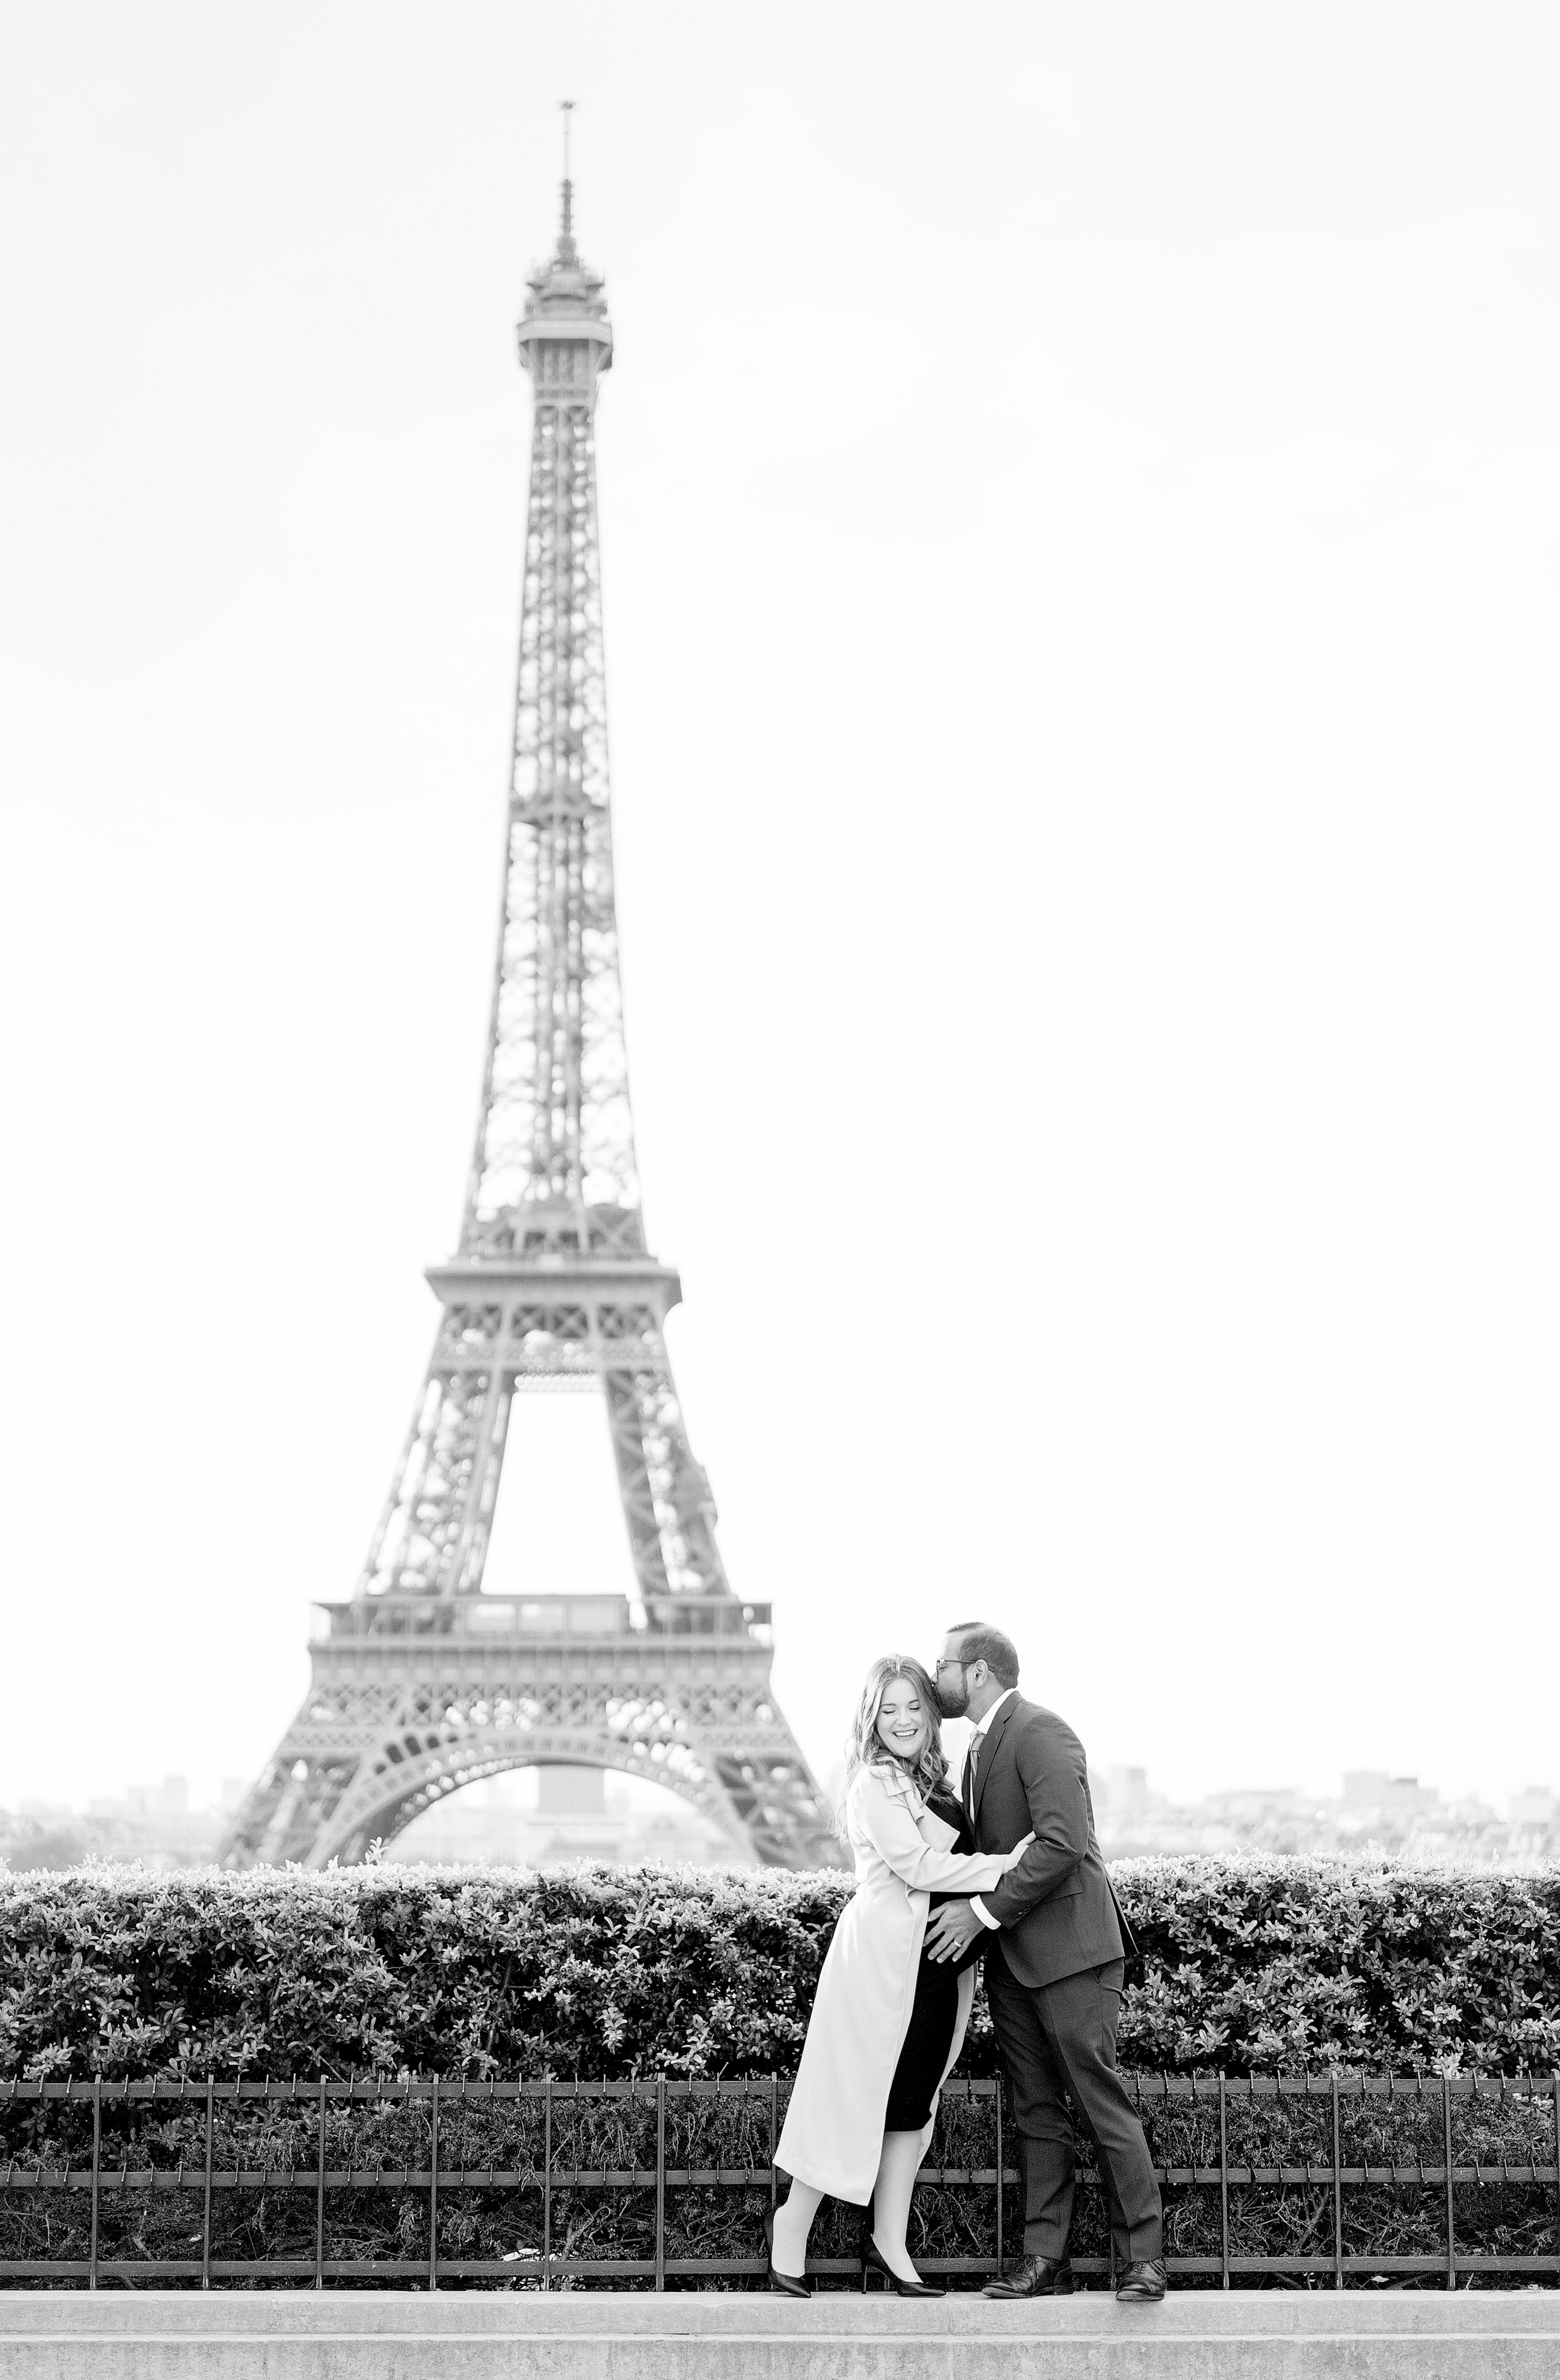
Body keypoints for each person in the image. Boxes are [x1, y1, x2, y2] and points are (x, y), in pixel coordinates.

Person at [767, 1655, 1033, 2297]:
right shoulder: (872, 1783)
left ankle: (889, 2242)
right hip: (884, 1961)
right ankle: (790, 2231)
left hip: (934, 1964)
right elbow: (915, 1865)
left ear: (930, 1710)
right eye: (888, 1709)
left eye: (914, 1704)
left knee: (911, 2102)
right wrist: (1006, 1866)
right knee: (852, 2095)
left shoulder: (931, 1779)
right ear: (871, 1718)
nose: (904, 1719)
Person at [923, 1621, 1166, 2305]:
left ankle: (1142, 2261)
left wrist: (981, 1913)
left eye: (940, 1664)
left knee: (1098, 2103)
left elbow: (1063, 1841)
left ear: (975, 1672)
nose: (932, 1674)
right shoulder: (975, 1751)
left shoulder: (1040, 1731)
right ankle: (1044, 2259)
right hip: (1014, 1960)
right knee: (1034, 2112)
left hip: (1071, 1954)